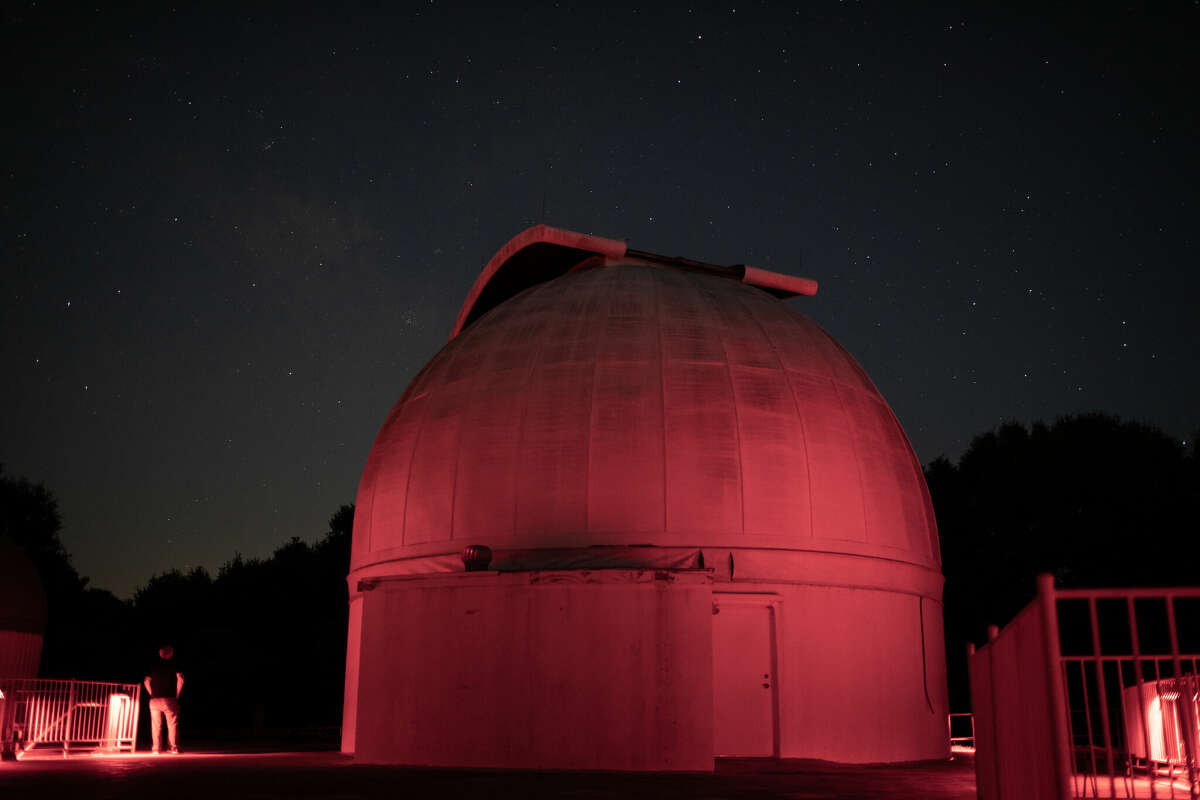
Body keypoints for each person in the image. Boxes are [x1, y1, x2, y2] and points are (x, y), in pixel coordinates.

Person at [144, 644, 184, 754]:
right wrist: (177, 694)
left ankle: (156, 749)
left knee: (156, 725)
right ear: (170, 653)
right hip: (169, 698)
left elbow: (146, 681)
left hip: (154, 700)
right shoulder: (175, 664)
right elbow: (180, 679)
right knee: (172, 724)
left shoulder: (152, 665)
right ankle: (173, 748)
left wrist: (152, 693)